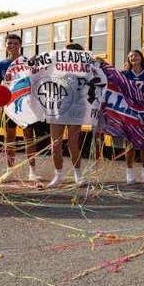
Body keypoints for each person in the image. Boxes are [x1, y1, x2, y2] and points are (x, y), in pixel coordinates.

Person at [0, 34, 45, 182]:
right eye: (9, 43)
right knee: (9, 138)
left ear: (20, 45)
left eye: (15, 43)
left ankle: (32, 171)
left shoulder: (27, 62)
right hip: (9, 105)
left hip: (25, 105)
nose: (12, 46)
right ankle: (9, 170)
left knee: (29, 138)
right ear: (5, 46)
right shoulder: (1, 65)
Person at [47, 43, 89, 188]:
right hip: (58, 107)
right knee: (55, 144)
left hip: (76, 107)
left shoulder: (86, 68)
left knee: (72, 143)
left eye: (68, 53)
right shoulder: (56, 66)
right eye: (64, 53)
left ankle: (78, 174)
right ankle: (58, 175)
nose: (65, 55)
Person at [122, 49, 144, 184]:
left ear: (141, 58)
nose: (133, 57)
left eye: (135, 55)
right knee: (130, 142)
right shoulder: (125, 74)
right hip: (129, 111)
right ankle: (129, 171)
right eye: (130, 56)